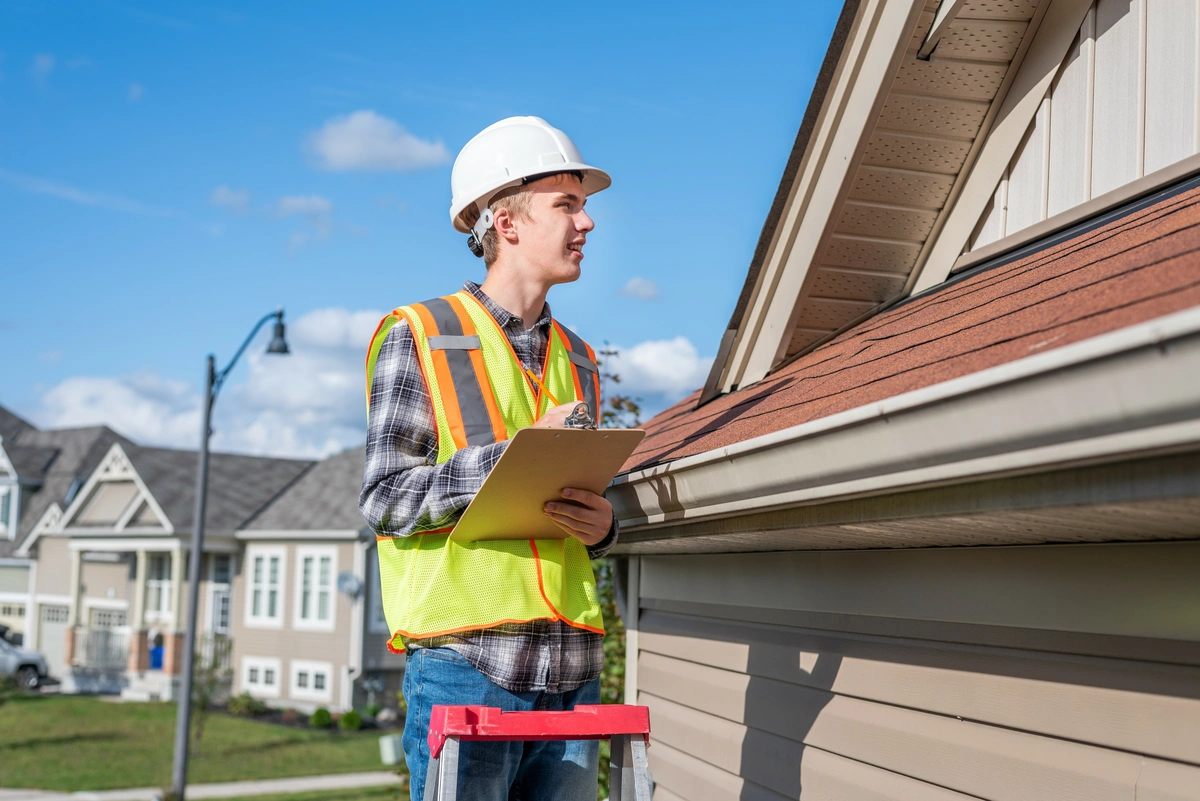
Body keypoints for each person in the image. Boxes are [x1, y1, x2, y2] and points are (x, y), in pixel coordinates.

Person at [360, 116, 617, 800]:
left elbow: (570, 509)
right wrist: (515, 455)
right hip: (467, 664)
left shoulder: (582, 361)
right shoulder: (421, 334)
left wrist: (604, 526)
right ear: (506, 223)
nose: (587, 223)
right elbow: (384, 498)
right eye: (567, 205)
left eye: (584, 206)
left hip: (572, 670)